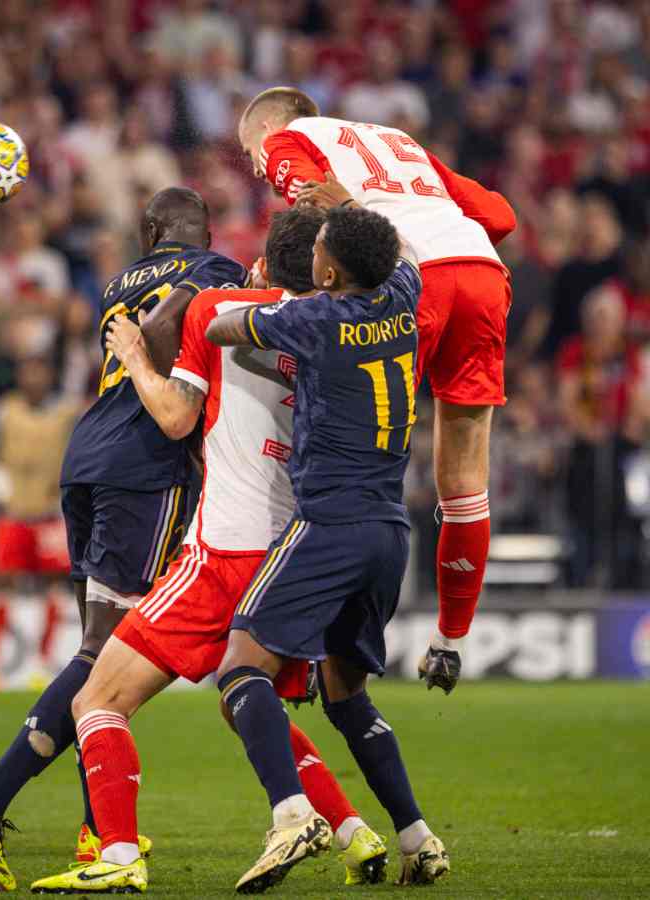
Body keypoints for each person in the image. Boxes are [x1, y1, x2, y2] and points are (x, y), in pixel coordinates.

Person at [29, 207, 388, 895]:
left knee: (98, 700)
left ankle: (118, 854)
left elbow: (173, 417)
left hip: (224, 549)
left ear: (262, 262)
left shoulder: (224, 307)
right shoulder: (338, 330)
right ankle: (351, 831)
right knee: (247, 704)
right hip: (294, 553)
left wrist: (134, 355)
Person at [0, 187, 250, 891]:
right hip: (144, 466)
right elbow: (173, 324)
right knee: (108, 656)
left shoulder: (118, 282)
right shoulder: (215, 271)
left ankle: (93, 828)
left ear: (149, 233)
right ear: (204, 232)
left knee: (104, 649)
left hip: (87, 457)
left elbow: (140, 324)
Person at [238, 87, 516, 692]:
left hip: (412, 280)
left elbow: (315, 218)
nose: (260, 168)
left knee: (348, 437)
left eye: (252, 154)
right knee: (465, 473)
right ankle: (450, 641)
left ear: (269, 131)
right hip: (480, 271)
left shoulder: (289, 141)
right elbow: (499, 216)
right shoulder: (398, 140)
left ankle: (313, 637)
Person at [205, 205, 447, 892]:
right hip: (388, 531)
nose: (311, 251)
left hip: (328, 525)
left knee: (241, 665)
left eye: (318, 246)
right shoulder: (403, 293)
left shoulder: (313, 320)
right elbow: (403, 253)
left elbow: (224, 327)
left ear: (331, 269)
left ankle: (291, 816)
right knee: (345, 697)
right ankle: (417, 838)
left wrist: (267, 306)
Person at [0, 353, 79, 689]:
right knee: (2, 583)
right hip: (13, 511)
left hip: (50, 513)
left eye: (39, 370)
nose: (33, 377)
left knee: (52, 585)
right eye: (28, 370)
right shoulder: (3, 410)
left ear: (50, 374)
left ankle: (41, 662)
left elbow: (80, 452)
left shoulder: (67, 413)